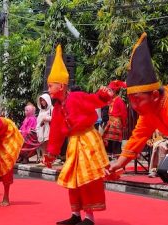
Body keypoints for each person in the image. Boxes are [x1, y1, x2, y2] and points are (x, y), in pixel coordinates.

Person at [108, 32, 168, 225]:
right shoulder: (150, 112)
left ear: (154, 95)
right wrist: (119, 163)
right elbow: (138, 137)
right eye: (131, 100)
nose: (134, 106)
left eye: (137, 100)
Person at [44, 44, 113, 225]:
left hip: (88, 140)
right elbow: (56, 133)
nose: (49, 89)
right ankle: (76, 214)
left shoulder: (77, 97)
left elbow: (95, 100)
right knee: (73, 180)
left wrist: (104, 94)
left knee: (87, 179)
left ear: (61, 85)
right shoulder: (57, 108)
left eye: (51, 86)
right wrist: (50, 154)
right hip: (74, 144)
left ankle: (89, 217)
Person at [102, 80, 127, 160]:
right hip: (110, 122)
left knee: (114, 141)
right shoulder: (110, 100)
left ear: (114, 91)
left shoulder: (119, 100)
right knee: (106, 139)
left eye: (110, 90)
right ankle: (108, 157)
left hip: (116, 123)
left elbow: (123, 113)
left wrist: (123, 124)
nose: (108, 91)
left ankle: (116, 158)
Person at [36, 93, 53, 162]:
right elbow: (38, 120)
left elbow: (55, 118)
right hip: (42, 129)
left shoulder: (52, 109)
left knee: (49, 143)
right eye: (41, 100)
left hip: (49, 129)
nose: (42, 102)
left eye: (44, 100)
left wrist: (46, 118)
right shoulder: (41, 110)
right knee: (43, 144)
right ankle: (44, 158)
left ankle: (49, 158)